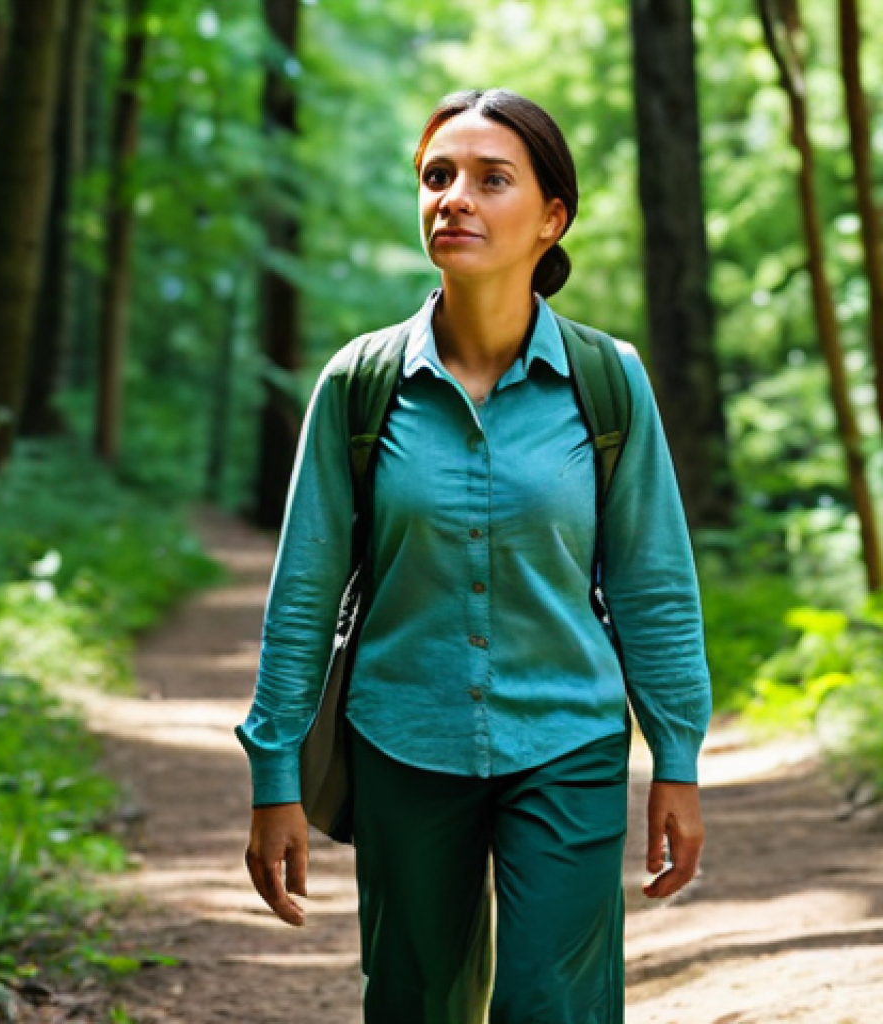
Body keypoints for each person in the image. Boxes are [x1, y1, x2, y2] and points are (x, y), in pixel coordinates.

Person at [235, 87, 713, 1024]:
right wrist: (273, 775)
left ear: (551, 218)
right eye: (437, 176)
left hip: (567, 742)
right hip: (401, 740)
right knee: (419, 1002)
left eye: (493, 179)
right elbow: (302, 596)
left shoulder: (607, 382)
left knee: (553, 1003)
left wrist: (679, 758)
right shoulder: (359, 385)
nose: (455, 197)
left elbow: (654, 585)